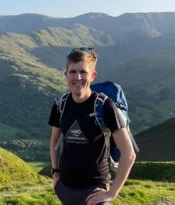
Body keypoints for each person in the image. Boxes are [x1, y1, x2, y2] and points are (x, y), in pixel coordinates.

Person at [48, 47, 136, 205]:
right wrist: (55, 174)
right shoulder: (60, 104)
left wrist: (112, 193)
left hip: (94, 193)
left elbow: (129, 153)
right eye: (73, 72)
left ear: (93, 75)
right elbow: (54, 140)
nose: (78, 77)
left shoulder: (104, 106)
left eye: (83, 72)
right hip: (65, 189)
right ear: (66, 75)